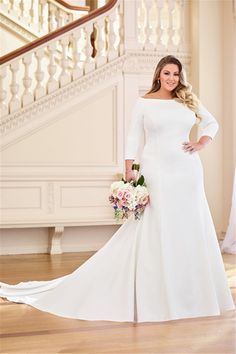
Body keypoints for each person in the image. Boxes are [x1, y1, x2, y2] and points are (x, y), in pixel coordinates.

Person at [0, 55, 235, 323]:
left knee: (189, 225)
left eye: (176, 74)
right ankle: (157, 289)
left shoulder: (186, 100)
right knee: (157, 225)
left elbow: (212, 123)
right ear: (159, 74)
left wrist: (202, 143)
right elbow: (134, 137)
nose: (172, 78)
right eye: (167, 73)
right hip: (157, 170)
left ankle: (192, 291)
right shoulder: (144, 102)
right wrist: (129, 171)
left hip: (187, 172)